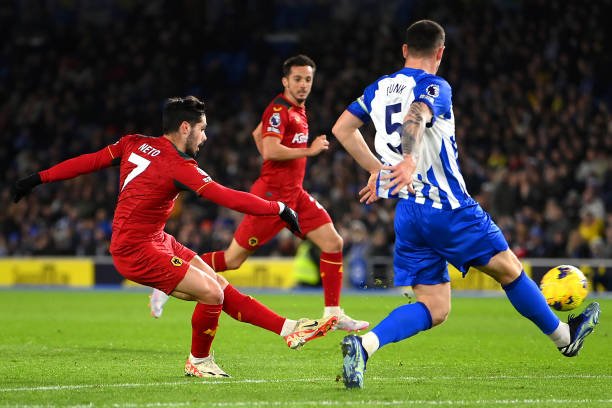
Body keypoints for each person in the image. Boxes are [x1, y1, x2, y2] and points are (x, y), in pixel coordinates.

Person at [331, 20, 600, 389]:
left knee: (436, 308)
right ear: (440, 53)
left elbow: (342, 129)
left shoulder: (377, 89)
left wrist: (380, 170)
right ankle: (565, 340)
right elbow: (416, 116)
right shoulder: (435, 86)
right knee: (509, 269)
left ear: (404, 49)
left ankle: (364, 346)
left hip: (409, 213)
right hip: (449, 207)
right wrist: (407, 161)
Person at [11, 95, 338, 379]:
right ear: (185, 127)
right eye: (203, 128)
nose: (205, 137)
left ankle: (288, 329)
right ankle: (199, 361)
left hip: (156, 238)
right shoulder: (179, 165)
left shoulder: (133, 142)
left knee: (218, 284)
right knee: (212, 293)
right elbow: (225, 196)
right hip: (134, 249)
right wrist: (277, 207)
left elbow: (88, 162)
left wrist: (37, 178)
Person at [149, 55, 369, 332]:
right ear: (285, 81)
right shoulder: (279, 110)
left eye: (308, 79)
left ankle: (333, 315)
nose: (303, 85)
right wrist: (309, 150)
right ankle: (168, 279)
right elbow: (270, 148)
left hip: (295, 195)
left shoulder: (298, 110)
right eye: (297, 79)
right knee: (232, 260)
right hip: (271, 199)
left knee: (333, 243)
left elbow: (257, 134)